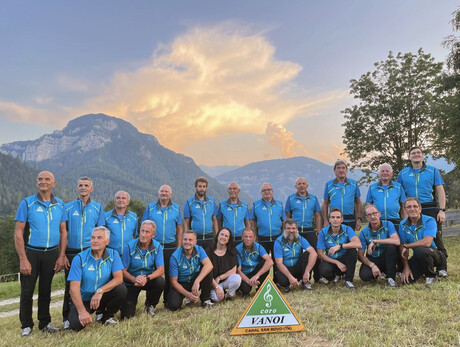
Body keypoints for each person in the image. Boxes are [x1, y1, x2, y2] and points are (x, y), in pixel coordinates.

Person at [14, 171, 68, 336]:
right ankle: (26, 325)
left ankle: (44, 323)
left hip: (51, 253)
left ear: (54, 183)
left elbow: (63, 231)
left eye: (47, 179)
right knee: (27, 290)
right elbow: (18, 232)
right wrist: (23, 259)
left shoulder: (59, 204)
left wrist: (61, 255)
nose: (43, 182)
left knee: (46, 290)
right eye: (40, 179)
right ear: (37, 182)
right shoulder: (27, 203)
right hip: (32, 253)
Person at [62, 176, 105, 329]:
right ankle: (66, 318)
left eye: (86, 185)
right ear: (77, 188)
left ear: (91, 188)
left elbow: (101, 232)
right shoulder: (67, 207)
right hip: (72, 253)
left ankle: (100, 311)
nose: (83, 187)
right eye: (80, 185)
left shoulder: (98, 208)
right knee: (70, 286)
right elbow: (63, 232)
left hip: (90, 252)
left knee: (95, 282)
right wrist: (63, 255)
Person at [397, 146, 448, 276]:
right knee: (413, 236)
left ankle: (442, 268)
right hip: (410, 207)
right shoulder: (402, 173)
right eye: (413, 153)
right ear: (409, 157)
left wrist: (442, 210)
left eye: (418, 152)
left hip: (429, 206)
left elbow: (440, 190)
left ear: (422, 155)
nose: (416, 155)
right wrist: (404, 214)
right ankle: (422, 264)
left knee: (436, 237)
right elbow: (400, 194)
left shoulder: (433, 170)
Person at [68, 227, 127, 330]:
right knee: (76, 325)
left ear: (107, 241)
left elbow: (119, 278)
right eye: (92, 238)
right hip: (84, 300)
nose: (95, 241)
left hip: (102, 296)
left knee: (121, 289)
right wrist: (82, 312)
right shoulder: (79, 258)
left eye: (99, 238)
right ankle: (84, 313)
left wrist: (100, 291)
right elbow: (73, 289)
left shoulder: (113, 254)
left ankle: (106, 316)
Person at [141, 184, 183, 306]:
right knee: (153, 275)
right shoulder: (150, 208)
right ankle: (150, 304)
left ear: (171, 194)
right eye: (162, 191)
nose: (164, 193)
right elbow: (144, 226)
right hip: (154, 247)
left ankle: (167, 301)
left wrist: (179, 246)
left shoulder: (176, 208)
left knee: (171, 274)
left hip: (171, 246)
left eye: (166, 191)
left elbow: (180, 229)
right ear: (158, 193)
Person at [121, 220, 165, 318]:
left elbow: (161, 270)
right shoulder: (129, 246)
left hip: (147, 279)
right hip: (132, 281)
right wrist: (134, 279)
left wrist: (147, 278)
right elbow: (122, 270)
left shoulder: (157, 247)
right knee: (126, 316)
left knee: (160, 281)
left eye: (147, 232)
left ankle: (150, 305)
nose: (143, 235)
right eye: (142, 231)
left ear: (153, 235)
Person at [398, 198, 447, 285]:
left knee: (421, 250)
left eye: (415, 206)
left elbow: (426, 242)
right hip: (419, 255)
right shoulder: (402, 224)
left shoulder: (429, 220)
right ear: (405, 210)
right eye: (409, 207)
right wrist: (406, 267)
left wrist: (407, 246)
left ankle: (431, 276)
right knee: (407, 280)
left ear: (420, 209)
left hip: (437, 255)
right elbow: (402, 245)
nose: (412, 209)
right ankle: (423, 270)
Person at [285, 177, 321, 282]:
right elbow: (288, 216)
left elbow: (318, 215)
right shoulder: (291, 198)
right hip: (296, 231)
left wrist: (318, 231)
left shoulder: (313, 198)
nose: (301, 185)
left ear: (307, 185)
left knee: (316, 252)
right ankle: (301, 278)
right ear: (296, 186)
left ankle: (318, 277)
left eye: (303, 183)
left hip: (310, 229)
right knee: (298, 254)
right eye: (299, 184)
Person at [167, 230, 214, 310]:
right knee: (173, 306)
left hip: (194, 280)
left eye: (190, 240)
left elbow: (209, 265)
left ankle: (205, 299)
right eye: (185, 239)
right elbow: (173, 282)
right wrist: (188, 294)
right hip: (181, 283)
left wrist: (197, 281)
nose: (187, 242)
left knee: (207, 271)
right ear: (182, 241)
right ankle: (188, 298)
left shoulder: (199, 249)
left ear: (195, 242)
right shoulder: (174, 257)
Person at [357, 205, 400, 287]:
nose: (373, 217)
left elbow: (396, 241)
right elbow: (360, 255)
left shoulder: (388, 224)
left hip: (386, 257)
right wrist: (372, 265)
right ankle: (380, 272)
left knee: (391, 247)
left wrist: (375, 241)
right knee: (364, 276)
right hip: (373, 258)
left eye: (374, 213)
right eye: (369, 215)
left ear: (379, 214)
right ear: (366, 217)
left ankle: (391, 277)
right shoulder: (364, 232)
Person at [317, 208, 361, 289]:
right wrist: (337, 262)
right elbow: (320, 253)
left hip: (344, 259)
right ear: (329, 219)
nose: (335, 220)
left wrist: (340, 246)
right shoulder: (323, 232)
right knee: (323, 270)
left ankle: (348, 280)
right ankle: (335, 276)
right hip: (332, 260)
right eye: (333, 217)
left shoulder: (347, 229)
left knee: (353, 251)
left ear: (342, 219)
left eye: (338, 217)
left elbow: (358, 244)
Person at [274, 219, 318, 292]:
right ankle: (286, 284)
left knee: (308, 254)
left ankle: (305, 282)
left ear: (297, 229)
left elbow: (314, 253)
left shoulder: (300, 238)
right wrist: (290, 277)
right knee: (283, 282)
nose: (291, 231)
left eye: (293, 228)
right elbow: (279, 263)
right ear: (284, 229)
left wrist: (307, 272)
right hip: (286, 268)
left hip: (298, 267)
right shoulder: (278, 241)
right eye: (288, 228)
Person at [322, 160, 363, 231]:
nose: (341, 170)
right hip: (335, 219)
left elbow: (358, 202)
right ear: (334, 171)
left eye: (343, 168)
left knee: (350, 241)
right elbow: (325, 203)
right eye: (338, 168)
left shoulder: (353, 184)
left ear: (346, 170)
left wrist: (359, 219)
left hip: (350, 220)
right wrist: (325, 220)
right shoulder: (329, 185)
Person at [366, 163, 406, 231]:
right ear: (379, 174)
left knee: (396, 240)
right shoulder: (372, 187)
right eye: (382, 171)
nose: (385, 173)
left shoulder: (398, 187)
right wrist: (371, 218)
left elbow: (404, 206)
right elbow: (368, 204)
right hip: (378, 220)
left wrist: (405, 221)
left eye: (387, 171)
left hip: (395, 220)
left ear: (391, 174)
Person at [250, 182, 285, 260]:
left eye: (269, 190)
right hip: (262, 239)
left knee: (278, 263)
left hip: (277, 238)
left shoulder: (279, 204)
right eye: (264, 190)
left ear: (272, 191)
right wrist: (253, 236)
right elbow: (252, 222)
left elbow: (284, 221)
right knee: (263, 263)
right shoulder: (256, 205)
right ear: (261, 192)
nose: (267, 192)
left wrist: (283, 235)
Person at [207, 228, 242, 301]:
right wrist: (216, 287)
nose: (223, 237)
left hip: (225, 281)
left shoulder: (231, 251)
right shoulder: (209, 251)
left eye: (226, 236)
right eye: (222, 234)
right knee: (216, 299)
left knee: (237, 278)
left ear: (229, 239)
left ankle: (229, 294)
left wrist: (219, 277)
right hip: (213, 282)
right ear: (217, 236)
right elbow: (206, 272)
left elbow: (233, 270)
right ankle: (220, 293)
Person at [236, 227, 273, 295]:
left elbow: (270, 261)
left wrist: (257, 276)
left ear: (254, 238)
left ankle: (260, 287)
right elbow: (238, 270)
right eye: (246, 236)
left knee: (265, 262)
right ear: (242, 237)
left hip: (255, 271)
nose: (248, 239)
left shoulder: (258, 247)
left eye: (250, 237)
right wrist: (249, 281)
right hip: (245, 274)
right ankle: (240, 290)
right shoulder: (237, 249)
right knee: (246, 290)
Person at [184, 177, 218, 248]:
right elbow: (186, 221)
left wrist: (217, 235)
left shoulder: (212, 201)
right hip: (196, 238)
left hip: (210, 237)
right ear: (195, 187)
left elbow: (214, 219)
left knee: (209, 258)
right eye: (200, 186)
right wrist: (187, 237)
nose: (202, 189)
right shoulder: (189, 202)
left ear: (206, 188)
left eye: (204, 186)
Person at [105, 190, 138, 256]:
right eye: (118, 198)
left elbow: (134, 235)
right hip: (111, 254)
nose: (121, 200)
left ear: (128, 202)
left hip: (128, 254)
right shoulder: (106, 216)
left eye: (123, 198)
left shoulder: (134, 217)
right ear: (114, 201)